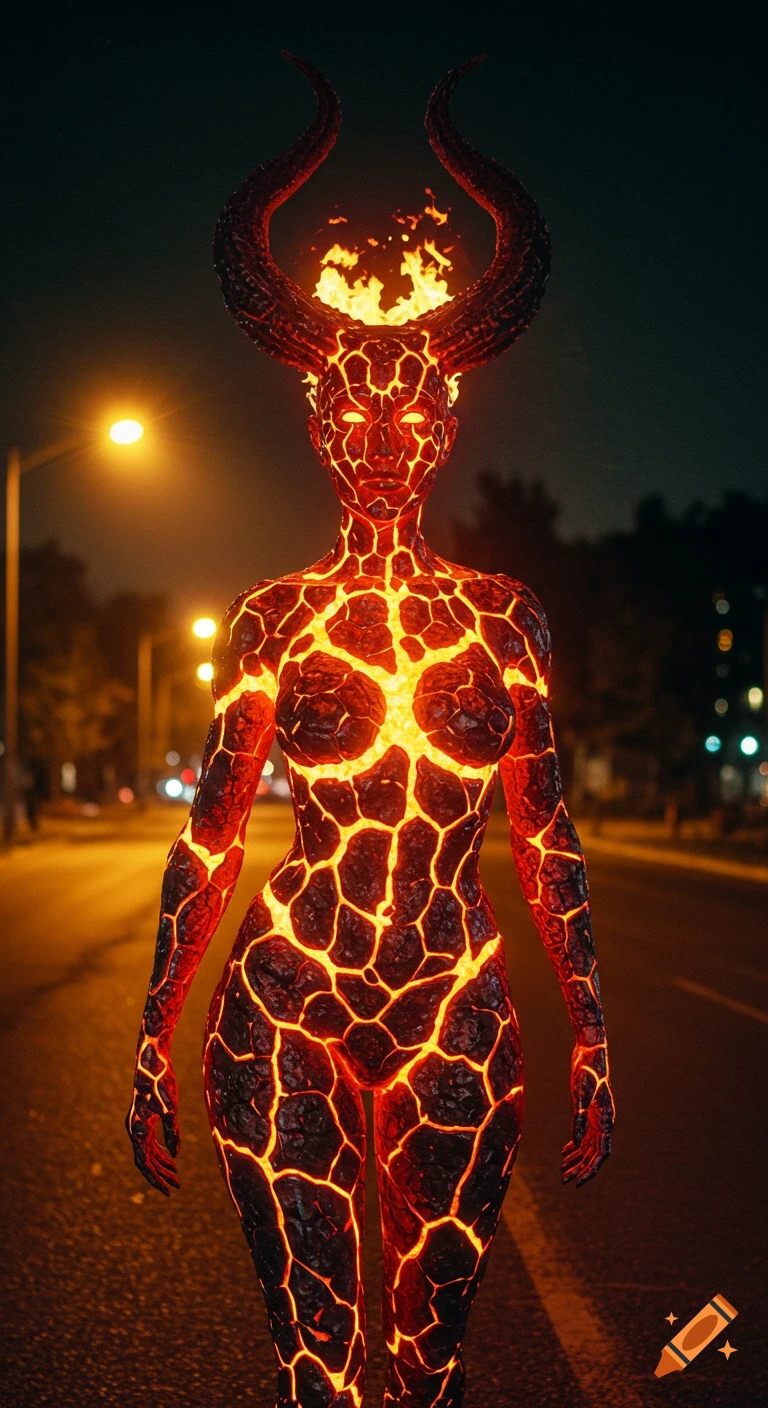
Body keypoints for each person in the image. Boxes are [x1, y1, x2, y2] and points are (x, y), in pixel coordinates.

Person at [127, 56, 614, 1408]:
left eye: (412, 399)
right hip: (284, 996)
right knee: (314, 1360)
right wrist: (155, 1032)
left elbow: (547, 830)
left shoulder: (505, 620)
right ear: (317, 414)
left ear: (447, 416)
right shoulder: (273, 616)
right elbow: (211, 830)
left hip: (457, 1000)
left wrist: (588, 1033)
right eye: (354, 396)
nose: (385, 422)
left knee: (428, 1362)